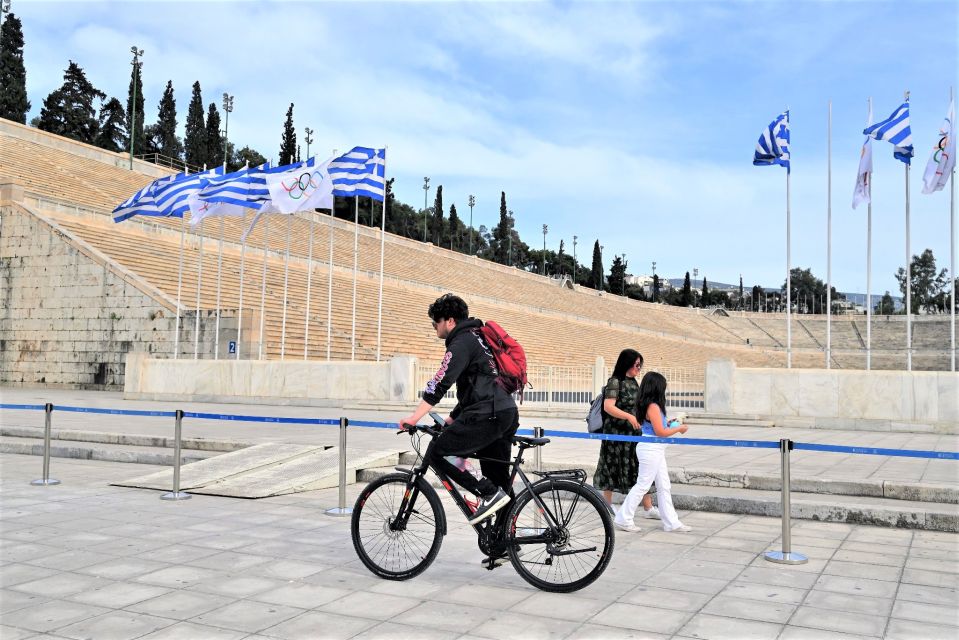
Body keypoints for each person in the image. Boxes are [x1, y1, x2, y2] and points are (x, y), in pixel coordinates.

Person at [399, 293, 518, 526]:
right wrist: (452, 419)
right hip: (504, 411)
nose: (434, 327)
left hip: (488, 414)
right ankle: (503, 544)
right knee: (499, 482)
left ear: (450, 321)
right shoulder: (478, 338)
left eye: (436, 322)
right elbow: (476, 386)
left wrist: (414, 418)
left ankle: (486, 492)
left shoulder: (461, 341)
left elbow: (440, 382)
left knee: (439, 451)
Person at [614, 371, 692, 533]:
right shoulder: (653, 406)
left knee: (664, 485)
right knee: (643, 484)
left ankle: (672, 522)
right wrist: (679, 428)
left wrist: (670, 424)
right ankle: (623, 518)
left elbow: (659, 428)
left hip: (653, 448)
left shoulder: (647, 405)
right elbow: (660, 432)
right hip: (651, 448)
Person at [592, 349, 658, 520]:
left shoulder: (634, 382)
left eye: (640, 365)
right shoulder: (615, 382)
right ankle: (607, 504)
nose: (639, 368)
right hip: (616, 433)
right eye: (637, 364)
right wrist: (628, 416)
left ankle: (648, 506)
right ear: (627, 363)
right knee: (611, 466)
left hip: (633, 433)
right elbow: (609, 406)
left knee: (640, 467)